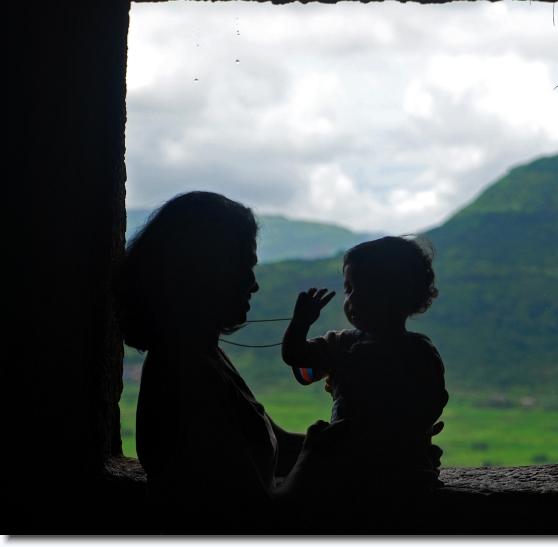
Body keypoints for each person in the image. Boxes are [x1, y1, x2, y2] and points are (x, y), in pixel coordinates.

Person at [120, 192, 441, 533]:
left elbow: (279, 445)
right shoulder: (188, 378)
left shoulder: (204, 357)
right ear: (200, 269)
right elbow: (255, 522)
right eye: (241, 266)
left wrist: (384, 446)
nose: (253, 283)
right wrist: (317, 461)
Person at [281, 236, 449, 495]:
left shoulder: (417, 351)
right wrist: (300, 324)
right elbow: (296, 356)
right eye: (349, 289)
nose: (354, 298)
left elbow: (430, 402)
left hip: (399, 476)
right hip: (379, 472)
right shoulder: (339, 343)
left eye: (369, 289)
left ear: (405, 295)